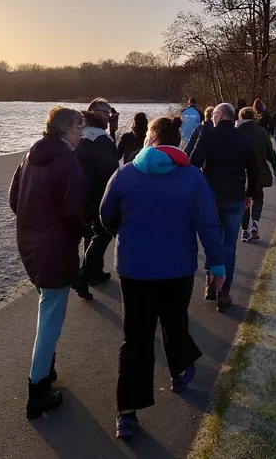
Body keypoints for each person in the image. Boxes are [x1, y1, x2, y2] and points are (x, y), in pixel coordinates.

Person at [99, 116, 226, 439]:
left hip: (134, 269)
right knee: (174, 321)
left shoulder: (125, 174)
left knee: (136, 338)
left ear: (150, 139)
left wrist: (127, 236)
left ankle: (127, 413)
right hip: (177, 267)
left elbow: (105, 215)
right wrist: (217, 265)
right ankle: (180, 372)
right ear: (178, 141)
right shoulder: (192, 178)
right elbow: (208, 225)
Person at [8, 105, 85, 420]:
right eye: (79, 127)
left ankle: (47, 372)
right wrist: (85, 233)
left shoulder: (29, 157)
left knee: (47, 306)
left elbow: (14, 200)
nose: (82, 133)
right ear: (65, 128)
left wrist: (35, 222)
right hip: (55, 248)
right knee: (51, 318)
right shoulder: (68, 163)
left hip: (29, 244)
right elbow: (74, 212)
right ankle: (37, 390)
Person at [190, 103, 259, 311]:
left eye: (213, 116)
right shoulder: (245, 139)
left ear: (219, 115)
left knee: (212, 241)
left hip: (210, 197)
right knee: (229, 245)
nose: (211, 118)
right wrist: (248, 194)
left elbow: (193, 164)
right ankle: (224, 291)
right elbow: (254, 170)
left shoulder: (207, 135)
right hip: (235, 197)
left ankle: (210, 286)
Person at [75, 98, 119, 298]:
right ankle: (84, 274)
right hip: (97, 193)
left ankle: (94, 272)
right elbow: (109, 168)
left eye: (109, 111)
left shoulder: (79, 134)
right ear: (93, 112)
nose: (108, 114)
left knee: (89, 233)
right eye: (104, 111)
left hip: (79, 191)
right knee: (103, 233)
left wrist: (113, 131)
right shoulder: (100, 138)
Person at [235, 107, 276, 242]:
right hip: (259, 171)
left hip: (240, 173)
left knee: (244, 201)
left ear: (240, 117)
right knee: (257, 198)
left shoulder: (235, 132)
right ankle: (255, 222)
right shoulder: (261, 131)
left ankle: (244, 230)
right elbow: (269, 151)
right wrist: (274, 165)